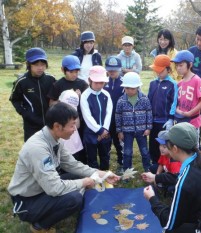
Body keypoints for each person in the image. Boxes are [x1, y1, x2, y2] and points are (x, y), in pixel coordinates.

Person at [7, 102, 119, 233]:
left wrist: (101, 173)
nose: (75, 129)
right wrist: (85, 182)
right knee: (74, 199)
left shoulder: (55, 139)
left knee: (81, 177)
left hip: (42, 188)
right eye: (72, 126)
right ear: (57, 126)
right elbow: (54, 188)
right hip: (27, 201)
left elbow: (72, 164)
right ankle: (39, 226)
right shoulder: (38, 148)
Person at [48, 55, 88, 163]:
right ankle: (64, 165)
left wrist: (80, 97)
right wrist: (66, 98)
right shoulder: (58, 84)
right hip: (64, 122)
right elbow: (51, 104)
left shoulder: (82, 84)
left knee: (80, 146)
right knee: (65, 145)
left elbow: (88, 102)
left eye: (77, 71)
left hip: (79, 120)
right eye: (71, 71)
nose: (74, 74)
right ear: (63, 70)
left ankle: (82, 165)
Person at [10, 47, 56, 142]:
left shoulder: (51, 79)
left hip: (50, 123)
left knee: (51, 148)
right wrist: (25, 113)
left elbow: (59, 95)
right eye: (36, 65)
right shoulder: (21, 82)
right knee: (32, 150)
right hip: (31, 125)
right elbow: (14, 99)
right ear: (29, 65)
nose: (40, 68)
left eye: (43, 64)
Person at [115, 72, 152, 172]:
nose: (130, 91)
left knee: (144, 151)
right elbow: (118, 116)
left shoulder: (144, 99)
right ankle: (127, 171)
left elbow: (149, 113)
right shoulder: (121, 100)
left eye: (132, 88)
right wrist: (119, 131)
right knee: (127, 152)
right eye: (127, 88)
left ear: (138, 87)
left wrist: (148, 128)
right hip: (127, 132)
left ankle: (147, 169)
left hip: (142, 131)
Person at [148, 55, 178, 171]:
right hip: (153, 120)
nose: (158, 73)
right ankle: (154, 163)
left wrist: (170, 118)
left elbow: (174, 102)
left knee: (164, 145)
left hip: (165, 121)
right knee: (153, 144)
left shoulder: (173, 84)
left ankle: (164, 165)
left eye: (161, 71)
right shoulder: (153, 83)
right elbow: (149, 100)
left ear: (168, 70)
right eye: (157, 71)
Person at [80, 66, 113, 170]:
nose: (99, 85)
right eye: (96, 82)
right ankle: (94, 179)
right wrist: (98, 130)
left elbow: (109, 113)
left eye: (102, 82)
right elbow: (87, 115)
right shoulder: (85, 95)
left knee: (105, 156)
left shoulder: (106, 94)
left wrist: (105, 130)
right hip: (90, 133)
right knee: (92, 157)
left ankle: (105, 176)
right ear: (90, 80)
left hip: (105, 133)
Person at [171, 50, 201, 136]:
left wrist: (190, 112)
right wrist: (177, 109)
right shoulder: (179, 83)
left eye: (181, 65)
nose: (178, 68)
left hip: (193, 122)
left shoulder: (197, 80)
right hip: (180, 121)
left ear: (190, 65)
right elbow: (177, 101)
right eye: (176, 65)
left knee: (192, 146)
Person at [104, 56, 124, 172]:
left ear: (120, 69)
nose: (112, 72)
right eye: (110, 69)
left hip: (119, 119)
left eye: (115, 69)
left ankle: (121, 163)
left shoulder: (123, 83)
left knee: (119, 143)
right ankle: (105, 164)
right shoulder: (103, 81)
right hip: (106, 118)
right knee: (106, 143)